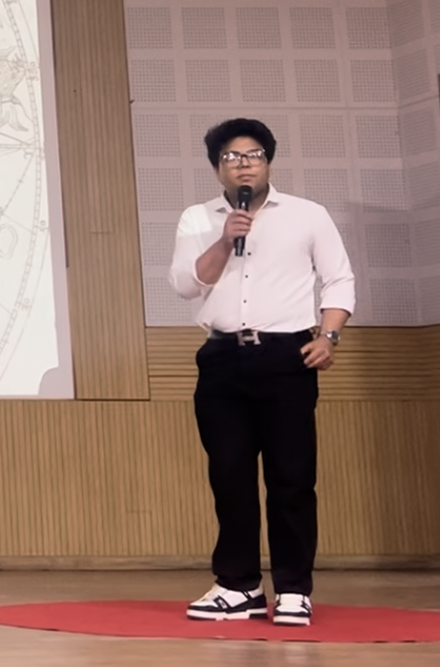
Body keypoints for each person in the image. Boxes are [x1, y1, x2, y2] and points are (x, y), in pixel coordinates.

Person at [168, 118, 355, 627]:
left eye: (253, 155)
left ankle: (293, 589)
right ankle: (239, 587)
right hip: (221, 358)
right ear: (216, 168)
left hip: (286, 357)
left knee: (291, 477)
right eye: (232, 157)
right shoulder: (197, 218)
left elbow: (339, 279)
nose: (244, 164)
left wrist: (328, 336)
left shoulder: (307, 215)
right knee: (229, 476)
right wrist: (224, 240)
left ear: (268, 161)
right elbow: (186, 285)